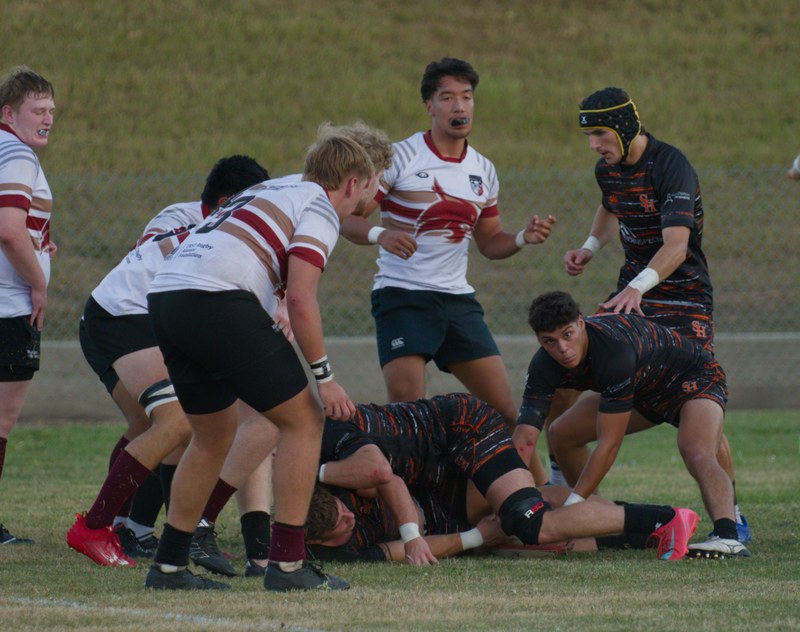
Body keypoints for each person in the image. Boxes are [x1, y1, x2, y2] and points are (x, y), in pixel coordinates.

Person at [142, 122, 393, 592]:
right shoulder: (320, 206)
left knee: (211, 434)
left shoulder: (278, 188)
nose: (380, 191)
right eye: (377, 180)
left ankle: (169, 565)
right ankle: (287, 565)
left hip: (168, 297)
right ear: (355, 181)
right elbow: (301, 298)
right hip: (215, 298)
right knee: (305, 421)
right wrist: (325, 377)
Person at [340, 58, 555, 484]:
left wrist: (520, 239)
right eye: (448, 97)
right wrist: (380, 235)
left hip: (456, 301)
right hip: (402, 297)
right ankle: (410, 510)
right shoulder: (400, 156)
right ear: (429, 106)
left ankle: (540, 500)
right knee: (406, 412)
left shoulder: (483, 170)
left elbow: (490, 241)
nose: (460, 106)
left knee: (508, 412)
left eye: (467, 96)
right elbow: (347, 216)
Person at [557, 86, 749, 543]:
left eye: (600, 133)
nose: (594, 145)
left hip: (682, 305)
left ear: (624, 127)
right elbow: (609, 207)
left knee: (696, 409)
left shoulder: (670, 164)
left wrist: (634, 288)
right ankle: (600, 521)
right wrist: (588, 248)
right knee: (564, 432)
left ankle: (731, 518)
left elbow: (677, 246)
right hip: (634, 300)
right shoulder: (609, 168)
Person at [66, 155, 271, 572]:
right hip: (127, 315)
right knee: (178, 422)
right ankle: (102, 526)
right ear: (231, 201)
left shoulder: (228, 232)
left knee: (173, 425)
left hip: (135, 314)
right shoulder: (220, 230)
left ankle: (160, 531)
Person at [305, 393, 700, 563]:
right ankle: (643, 536)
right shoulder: (328, 547)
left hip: (459, 428)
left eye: (344, 513)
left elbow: (381, 475)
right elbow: (399, 527)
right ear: (319, 541)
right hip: (439, 487)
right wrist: (475, 537)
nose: (351, 521)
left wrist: (313, 469)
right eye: (342, 528)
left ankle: (664, 519)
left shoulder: (327, 447)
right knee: (516, 530)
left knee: (528, 521)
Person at [522, 290, 751, 559]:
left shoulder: (613, 352)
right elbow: (524, 437)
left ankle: (728, 536)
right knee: (561, 433)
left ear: (581, 324)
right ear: (538, 340)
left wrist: (572, 505)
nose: (562, 348)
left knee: (697, 449)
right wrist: (508, 496)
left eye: (568, 334)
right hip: (643, 390)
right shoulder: (543, 364)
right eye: (549, 341)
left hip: (692, 379)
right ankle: (602, 522)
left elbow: (609, 444)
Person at [0, 67, 56, 545]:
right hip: (9, 303)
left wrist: (40, 243)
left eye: (51, 111)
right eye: (37, 110)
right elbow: (8, 229)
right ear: (8, 113)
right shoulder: (18, 155)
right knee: (1, 419)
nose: (48, 118)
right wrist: (38, 283)